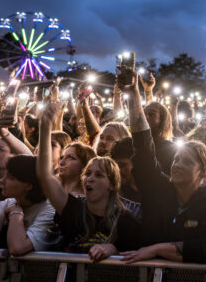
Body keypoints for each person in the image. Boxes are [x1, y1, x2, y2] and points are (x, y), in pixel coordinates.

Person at [120, 70, 206, 264]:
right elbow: (143, 149)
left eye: (187, 162)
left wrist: (157, 249)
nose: (177, 165)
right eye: (176, 159)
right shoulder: (159, 189)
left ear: (203, 170)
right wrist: (134, 94)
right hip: (148, 281)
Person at [36, 104, 138, 260]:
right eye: (88, 173)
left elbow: (134, 251)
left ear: (112, 184)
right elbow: (45, 176)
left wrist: (112, 248)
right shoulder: (73, 208)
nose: (90, 178)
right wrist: (45, 129)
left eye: (99, 175)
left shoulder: (124, 219)